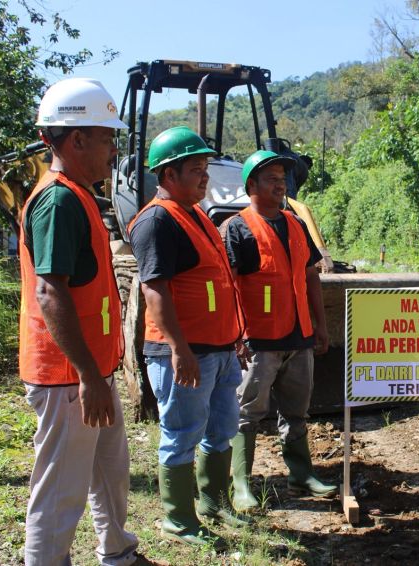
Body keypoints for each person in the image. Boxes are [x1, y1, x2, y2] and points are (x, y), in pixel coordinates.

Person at [20, 78, 157, 565]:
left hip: (91, 371)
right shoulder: (58, 201)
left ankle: (118, 551)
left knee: (109, 470)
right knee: (61, 489)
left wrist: (97, 374)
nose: (113, 149)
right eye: (106, 137)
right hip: (69, 376)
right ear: (77, 140)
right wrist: (87, 376)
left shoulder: (77, 196)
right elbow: (49, 291)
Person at [128, 126, 247, 548]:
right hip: (183, 352)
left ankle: (214, 502)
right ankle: (178, 519)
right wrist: (179, 349)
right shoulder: (157, 220)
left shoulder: (196, 214)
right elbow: (154, 289)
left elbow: (216, 282)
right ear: (168, 175)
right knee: (181, 434)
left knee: (222, 427)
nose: (205, 178)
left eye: (204, 169)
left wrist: (234, 336)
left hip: (219, 348)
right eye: (195, 170)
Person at [223, 150, 336, 513]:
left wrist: (319, 325)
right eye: (271, 178)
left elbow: (310, 276)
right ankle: (242, 484)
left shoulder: (296, 223)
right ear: (251, 185)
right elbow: (229, 287)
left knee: (297, 411)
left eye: (282, 178)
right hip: (258, 340)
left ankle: (301, 475)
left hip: (298, 335)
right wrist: (236, 334)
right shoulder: (237, 228)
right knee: (247, 413)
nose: (280, 184)